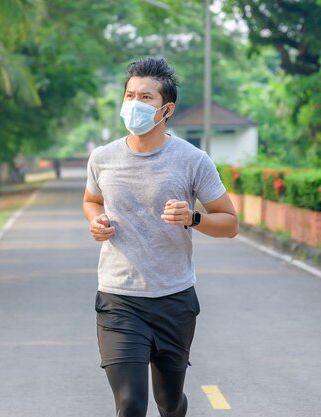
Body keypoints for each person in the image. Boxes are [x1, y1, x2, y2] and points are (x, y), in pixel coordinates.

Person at [82, 57, 238, 417]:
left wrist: (193, 217)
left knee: (169, 403)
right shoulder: (102, 158)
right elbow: (91, 200)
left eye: (145, 97)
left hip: (174, 299)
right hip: (119, 298)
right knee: (131, 404)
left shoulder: (192, 160)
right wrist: (96, 220)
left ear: (166, 108)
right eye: (129, 95)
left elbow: (230, 223)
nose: (134, 103)